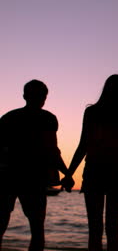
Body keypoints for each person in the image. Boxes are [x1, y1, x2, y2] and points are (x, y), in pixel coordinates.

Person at [61, 74, 118, 251]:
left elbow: (83, 146)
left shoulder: (92, 112)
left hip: (94, 171)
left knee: (94, 229)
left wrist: (69, 173)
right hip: (117, 174)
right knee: (113, 229)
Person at [0, 80, 70, 251]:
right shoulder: (48, 119)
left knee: (1, 226)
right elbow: (52, 150)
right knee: (37, 229)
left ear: (25, 96)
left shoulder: (9, 117)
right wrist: (67, 173)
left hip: (7, 177)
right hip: (33, 178)